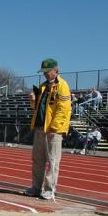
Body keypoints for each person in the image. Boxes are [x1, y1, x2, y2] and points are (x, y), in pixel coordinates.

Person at [25, 58, 72, 200]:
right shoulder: (43, 86)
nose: (45, 74)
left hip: (53, 130)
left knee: (53, 160)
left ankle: (49, 189)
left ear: (55, 70)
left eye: (47, 71)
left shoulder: (63, 85)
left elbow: (63, 109)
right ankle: (36, 187)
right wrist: (33, 100)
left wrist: (55, 127)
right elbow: (38, 108)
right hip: (40, 127)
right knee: (38, 160)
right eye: (43, 72)